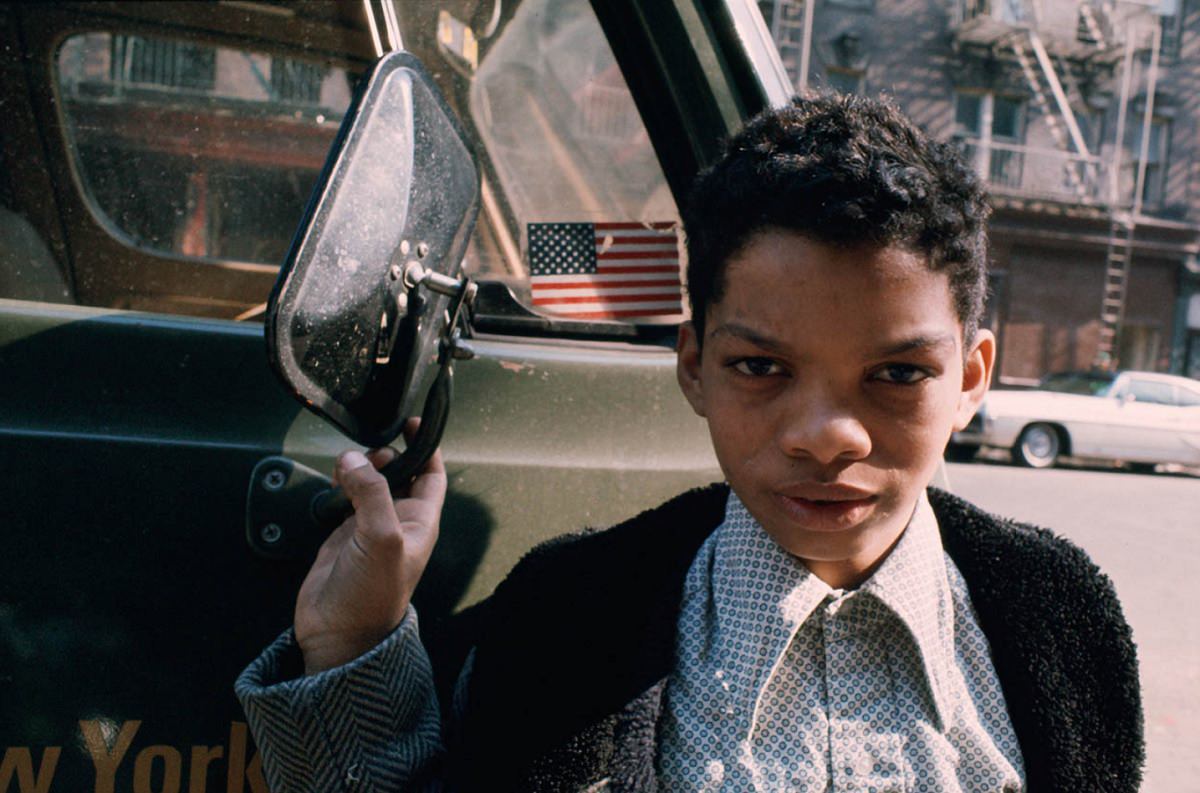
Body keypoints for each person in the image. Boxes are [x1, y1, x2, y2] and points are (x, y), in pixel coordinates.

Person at [236, 94, 1143, 792]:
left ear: (972, 379)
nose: (827, 437)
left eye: (898, 374)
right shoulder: (568, 615)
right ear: (695, 364)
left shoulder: (1061, 623)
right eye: (761, 368)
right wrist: (352, 646)